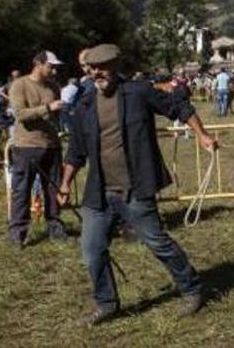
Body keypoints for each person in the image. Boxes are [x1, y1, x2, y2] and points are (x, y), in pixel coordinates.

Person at [60, 44, 215, 326]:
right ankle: (106, 303)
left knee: (158, 243)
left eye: (102, 67)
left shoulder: (138, 92)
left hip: (136, 188)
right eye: (92, 68)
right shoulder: (84, 106)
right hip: (99, 193)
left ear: (116, 66)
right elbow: (76, 152)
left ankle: (192, 288)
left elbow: (178, 105)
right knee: (92, 249)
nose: (97, 73)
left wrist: (202, 135)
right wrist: (65, 183)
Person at [8, 51, 67, 245]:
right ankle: (18, 232)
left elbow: (56, 117)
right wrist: (48, 108)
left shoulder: (53, 87)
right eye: (51, 66)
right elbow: (20, 114)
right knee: (22, 190)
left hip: (51, 146)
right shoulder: (20, 85)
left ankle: (55, 227)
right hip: (26, 147)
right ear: (38, 64)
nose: (54, 70)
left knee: (53, 189)